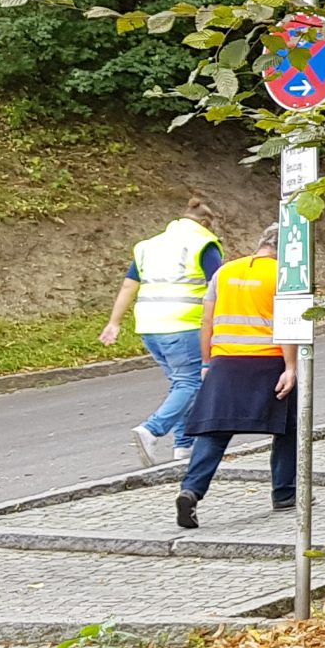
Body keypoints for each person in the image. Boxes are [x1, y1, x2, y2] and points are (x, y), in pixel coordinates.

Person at [175, 224, 295, 529]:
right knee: (287, 428)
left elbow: (207, 320)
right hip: (269, 362)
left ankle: (191, 491)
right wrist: (291, 367)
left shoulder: (224, 272)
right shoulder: (284, 275)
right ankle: (284, 493)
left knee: (214, 432)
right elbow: (288, 323)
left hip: (225, 363)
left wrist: (206, 362)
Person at [101, 198, 225, 467]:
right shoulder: (203, 243)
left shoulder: (149, 245)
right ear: (206, 223)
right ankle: (152, 430)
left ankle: (184, 446)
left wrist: (114, 322)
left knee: (181, 384)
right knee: (191, 383)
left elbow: (127, 287)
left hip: (149, 326)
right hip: (184, 324)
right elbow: (219, 287)